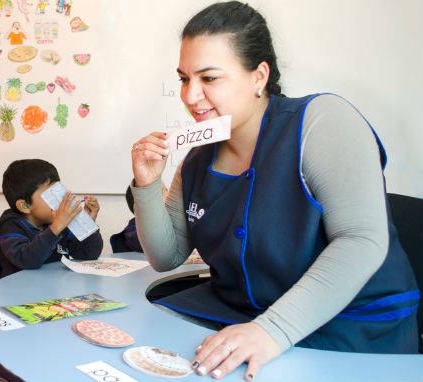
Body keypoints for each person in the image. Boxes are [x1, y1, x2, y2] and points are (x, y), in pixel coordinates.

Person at [130, 2, 419, 380]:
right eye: (184, 78)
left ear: (258, 76)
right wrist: (148, 183)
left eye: (209, 78)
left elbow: (362, 239)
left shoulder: (322, 120)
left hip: (348, 328)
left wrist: (272, 330)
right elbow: (166, 257)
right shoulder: (197, 158)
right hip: (245, 319)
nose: (189, 95)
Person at [0, 159, 103, 292]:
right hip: (17, 297)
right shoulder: (10, 227)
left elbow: (88, 254)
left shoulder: (57, 222)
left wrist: (88, 226)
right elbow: (28, 260)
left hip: (50, 294)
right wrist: (56, 227)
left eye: (59, 191)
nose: (61, 199)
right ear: (25, 206)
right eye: (51, 194)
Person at [110, 183, 168, 253]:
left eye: (167, 190)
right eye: (160, 193)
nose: (169, 195)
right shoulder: (133, 231)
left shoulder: (171, 220)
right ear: (138, 207)